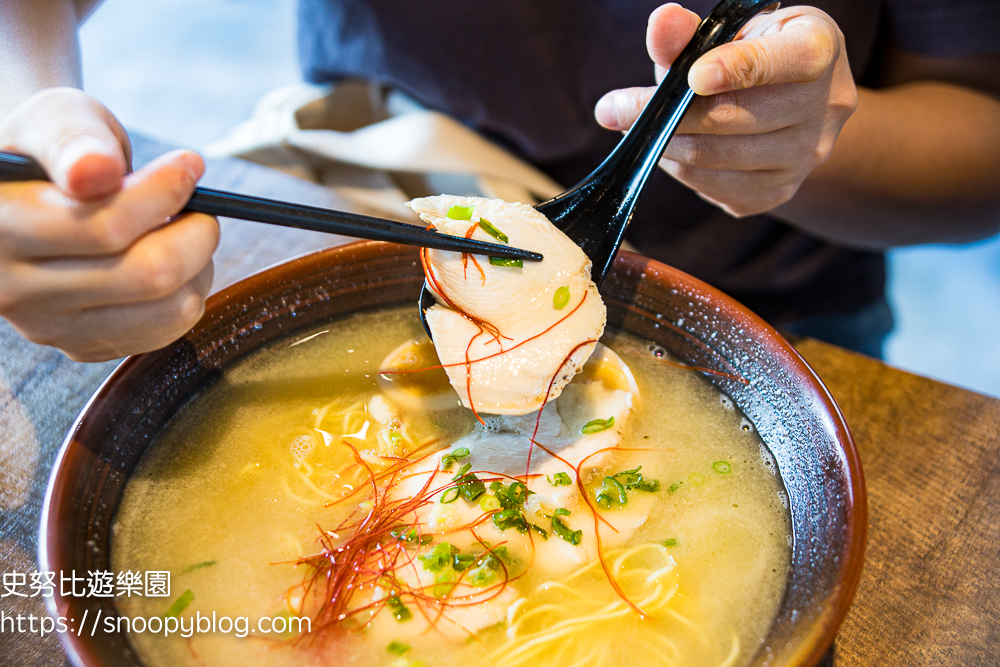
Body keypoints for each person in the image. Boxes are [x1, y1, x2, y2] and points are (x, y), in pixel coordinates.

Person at [1, 0, 998, 362]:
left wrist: (803, 147)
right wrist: (36, 114)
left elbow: (976, 138)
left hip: (767, 299)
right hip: (362, 192)